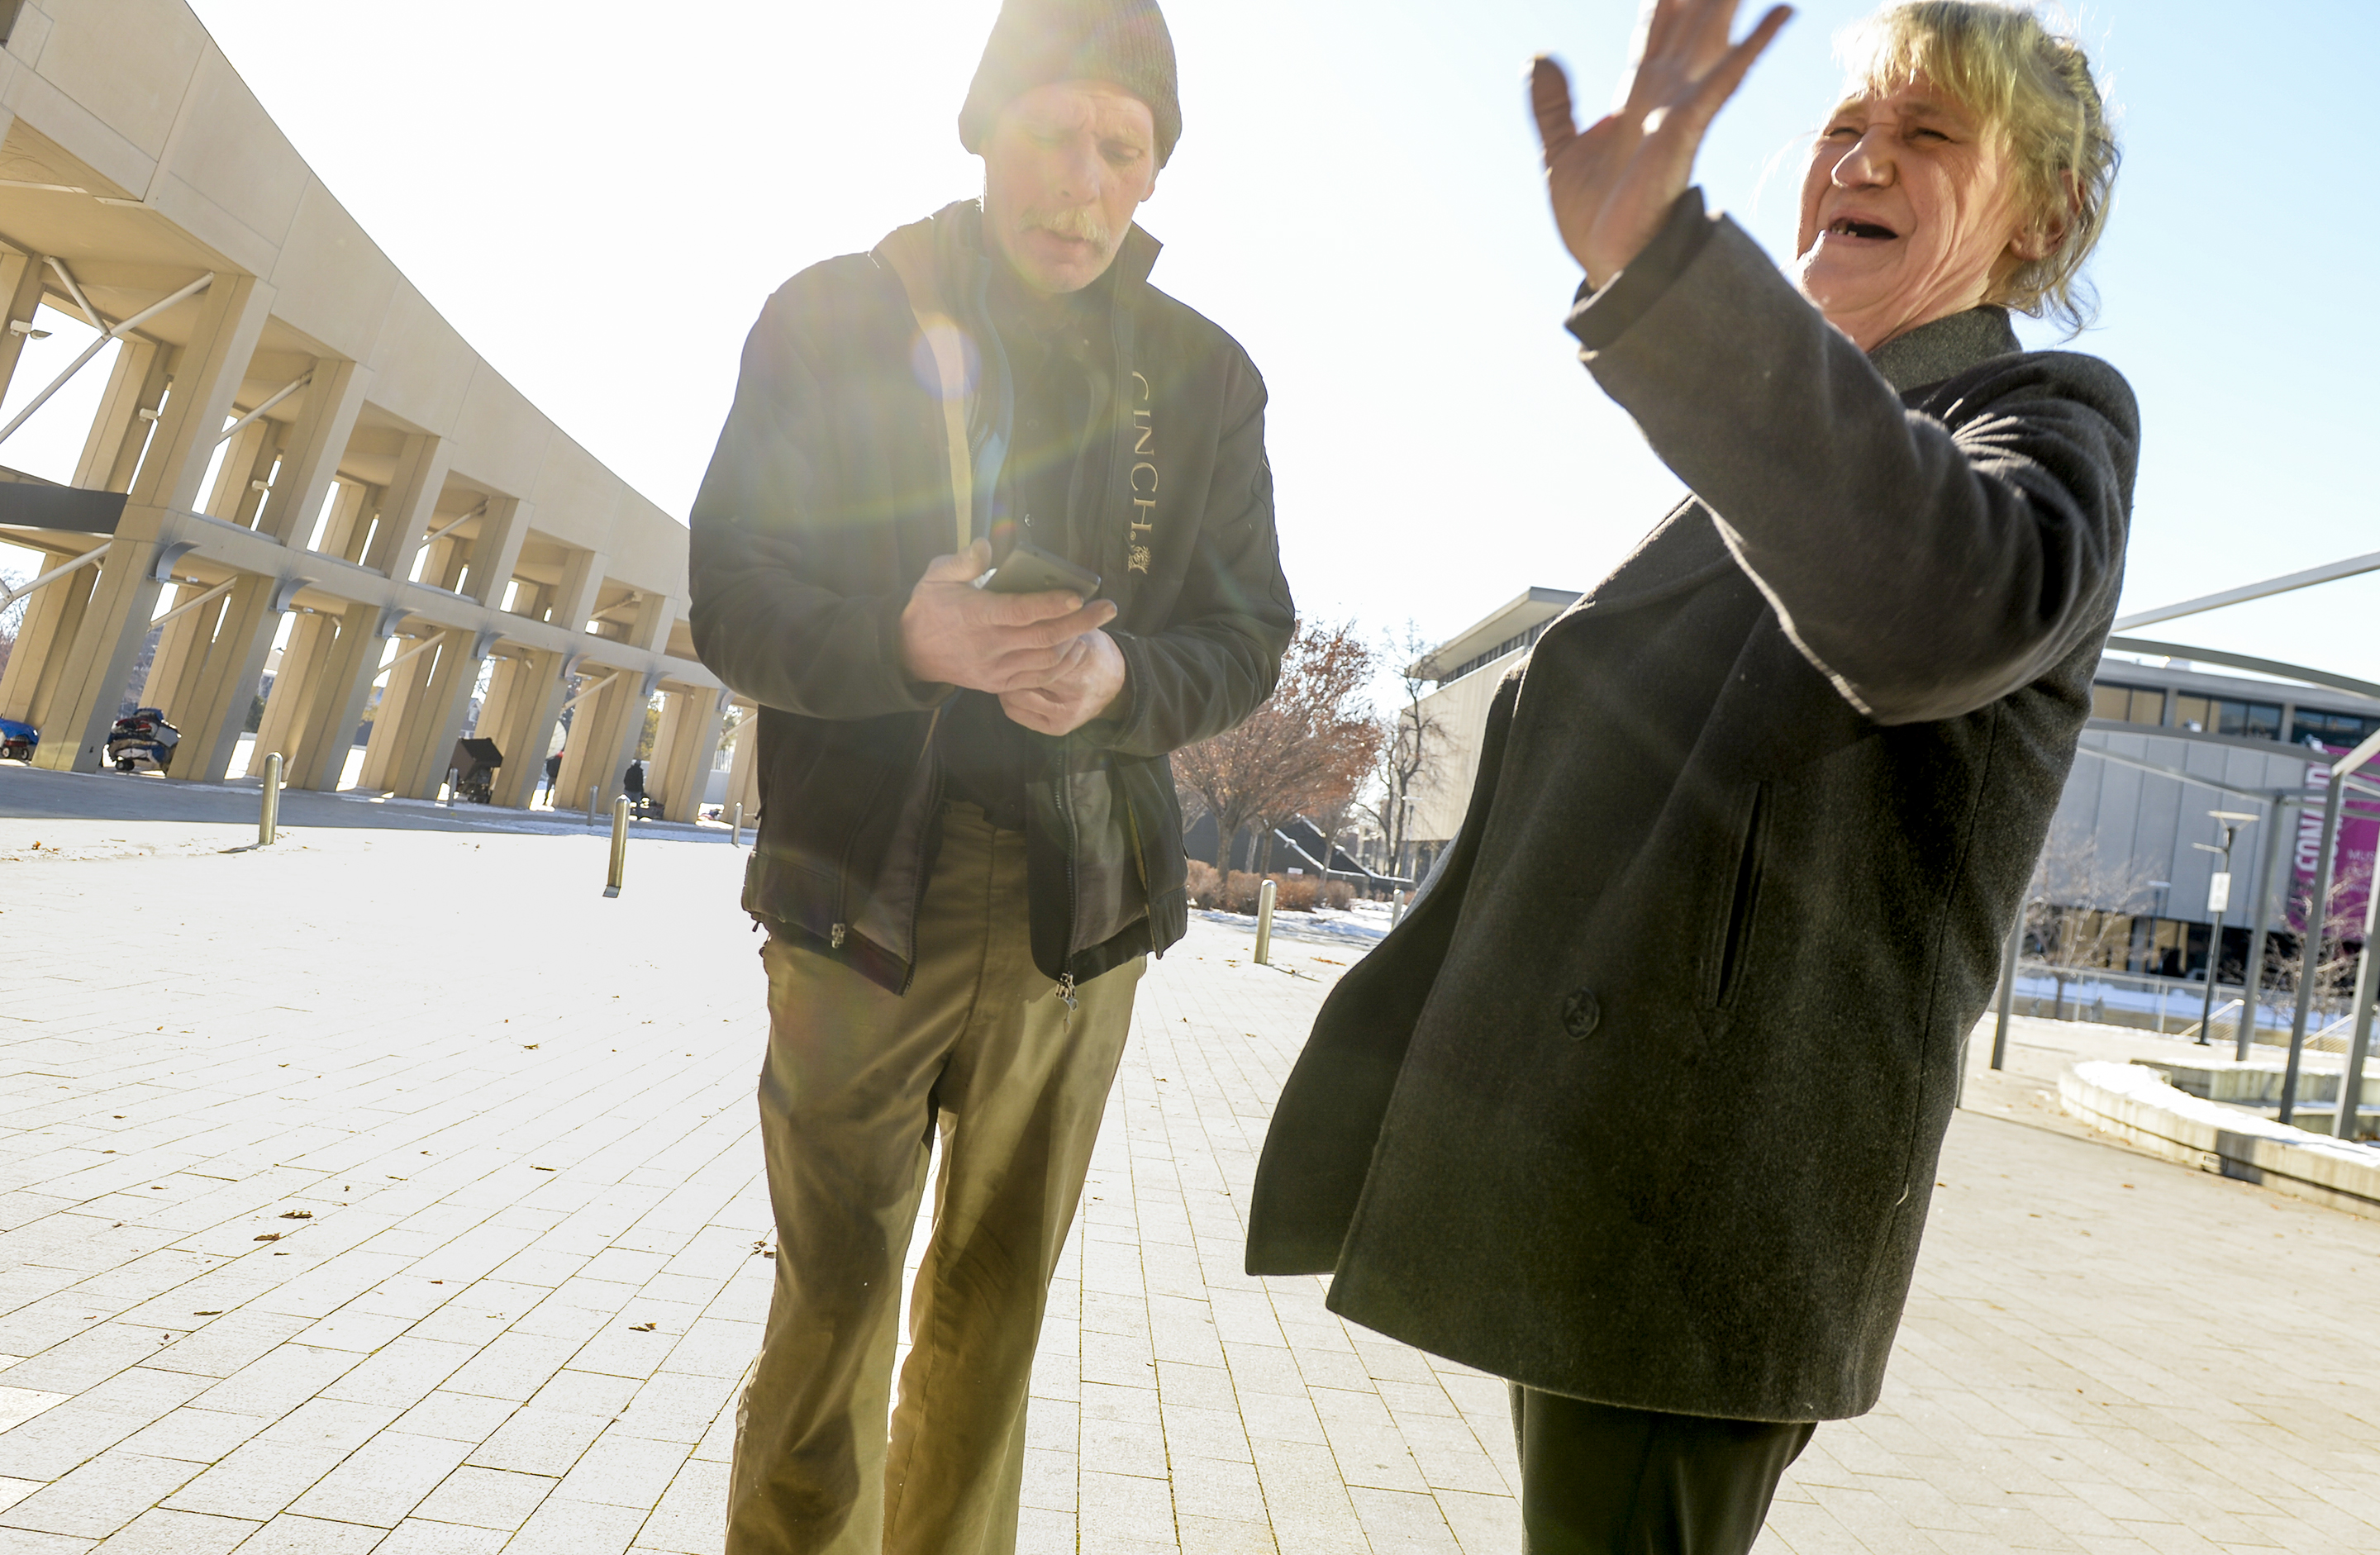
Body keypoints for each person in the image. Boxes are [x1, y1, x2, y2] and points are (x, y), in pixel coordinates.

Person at [1245, 2, 2132, 1549]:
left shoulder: (2041, 421)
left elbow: (1928, 607)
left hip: (1700, 1233)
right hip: (1618, 1198)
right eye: (1850, 123)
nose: (1861, 156)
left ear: (2041, 216)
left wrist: (1670, 279)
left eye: (1931, 134)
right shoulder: (1802, 447)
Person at [686, 0, 1295, 1548]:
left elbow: (1247, 634)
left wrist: (1124, 680)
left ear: (1156, 175)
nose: (1080, 180)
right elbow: (732, 598)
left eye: (1121, 147)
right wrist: (912, 637)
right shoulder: (831, 317)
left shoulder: (1209, 380)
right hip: (851, 894)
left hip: (1076, 915)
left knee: (993, 1317)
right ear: (980, 125)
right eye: (1049, 130)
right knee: (831, 1306)